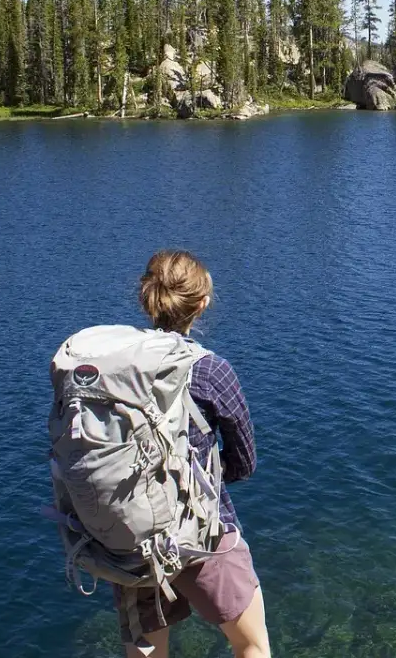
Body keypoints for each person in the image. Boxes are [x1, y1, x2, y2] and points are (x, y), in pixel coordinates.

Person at [118, 249, 271, 658]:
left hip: (132, 533)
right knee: (252, 645)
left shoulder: (117, 369)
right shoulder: (210, 370)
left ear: (146, 300)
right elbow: (244, 462)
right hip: (202, 530)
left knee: (146, 653)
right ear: (202, 304)